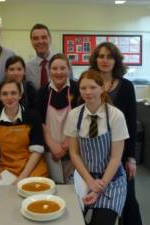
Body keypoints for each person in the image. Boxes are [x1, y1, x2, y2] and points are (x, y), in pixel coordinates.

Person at [65, 69, 128, 225]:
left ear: (102, 88)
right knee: (73, 220)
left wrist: (99, 187)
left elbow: (115, 158)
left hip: (111, 181)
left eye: (93, 87)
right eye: (83, 88)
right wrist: (90, 182)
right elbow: (74, 153)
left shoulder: (115, 116)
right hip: (84, 178)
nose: (88, 92)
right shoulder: (74, 115)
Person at [89, 42, 143, 225]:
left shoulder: (126, 86)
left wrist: (131, 157)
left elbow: (131, 124)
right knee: (95, 200)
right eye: (101, 56)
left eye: (109, 56)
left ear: (116, 61)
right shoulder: (88, 84)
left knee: (128, 201)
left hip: (119, 153)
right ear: (95, 59)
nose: (105, 60)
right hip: (94, 154)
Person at [0, 79, 48, 183]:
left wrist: (22, 178)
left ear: (20, 95)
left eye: (13, 93)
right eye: (5, 94)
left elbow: (37, 151)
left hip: (32, 169)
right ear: (0, 97)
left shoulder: (33, 116)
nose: (9, 97)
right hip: (6, 170)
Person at [35, 53, 79, 184]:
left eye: (62, 68)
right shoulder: (42, 92)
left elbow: (81, 120)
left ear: (68, 69)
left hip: (73, 149)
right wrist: (53, 146)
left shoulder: (77, 89)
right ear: (49, 70)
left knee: (72, 190)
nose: (58, 72)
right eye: (54, 68)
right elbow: (41, 122)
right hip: (50, 151)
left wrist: (67, 144)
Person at [26, 23, 54, 91]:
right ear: (31, 42)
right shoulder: (26, 68)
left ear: (50, 39)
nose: (40, 41)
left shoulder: (63, 64)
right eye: (35, 38)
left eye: (44, 37)